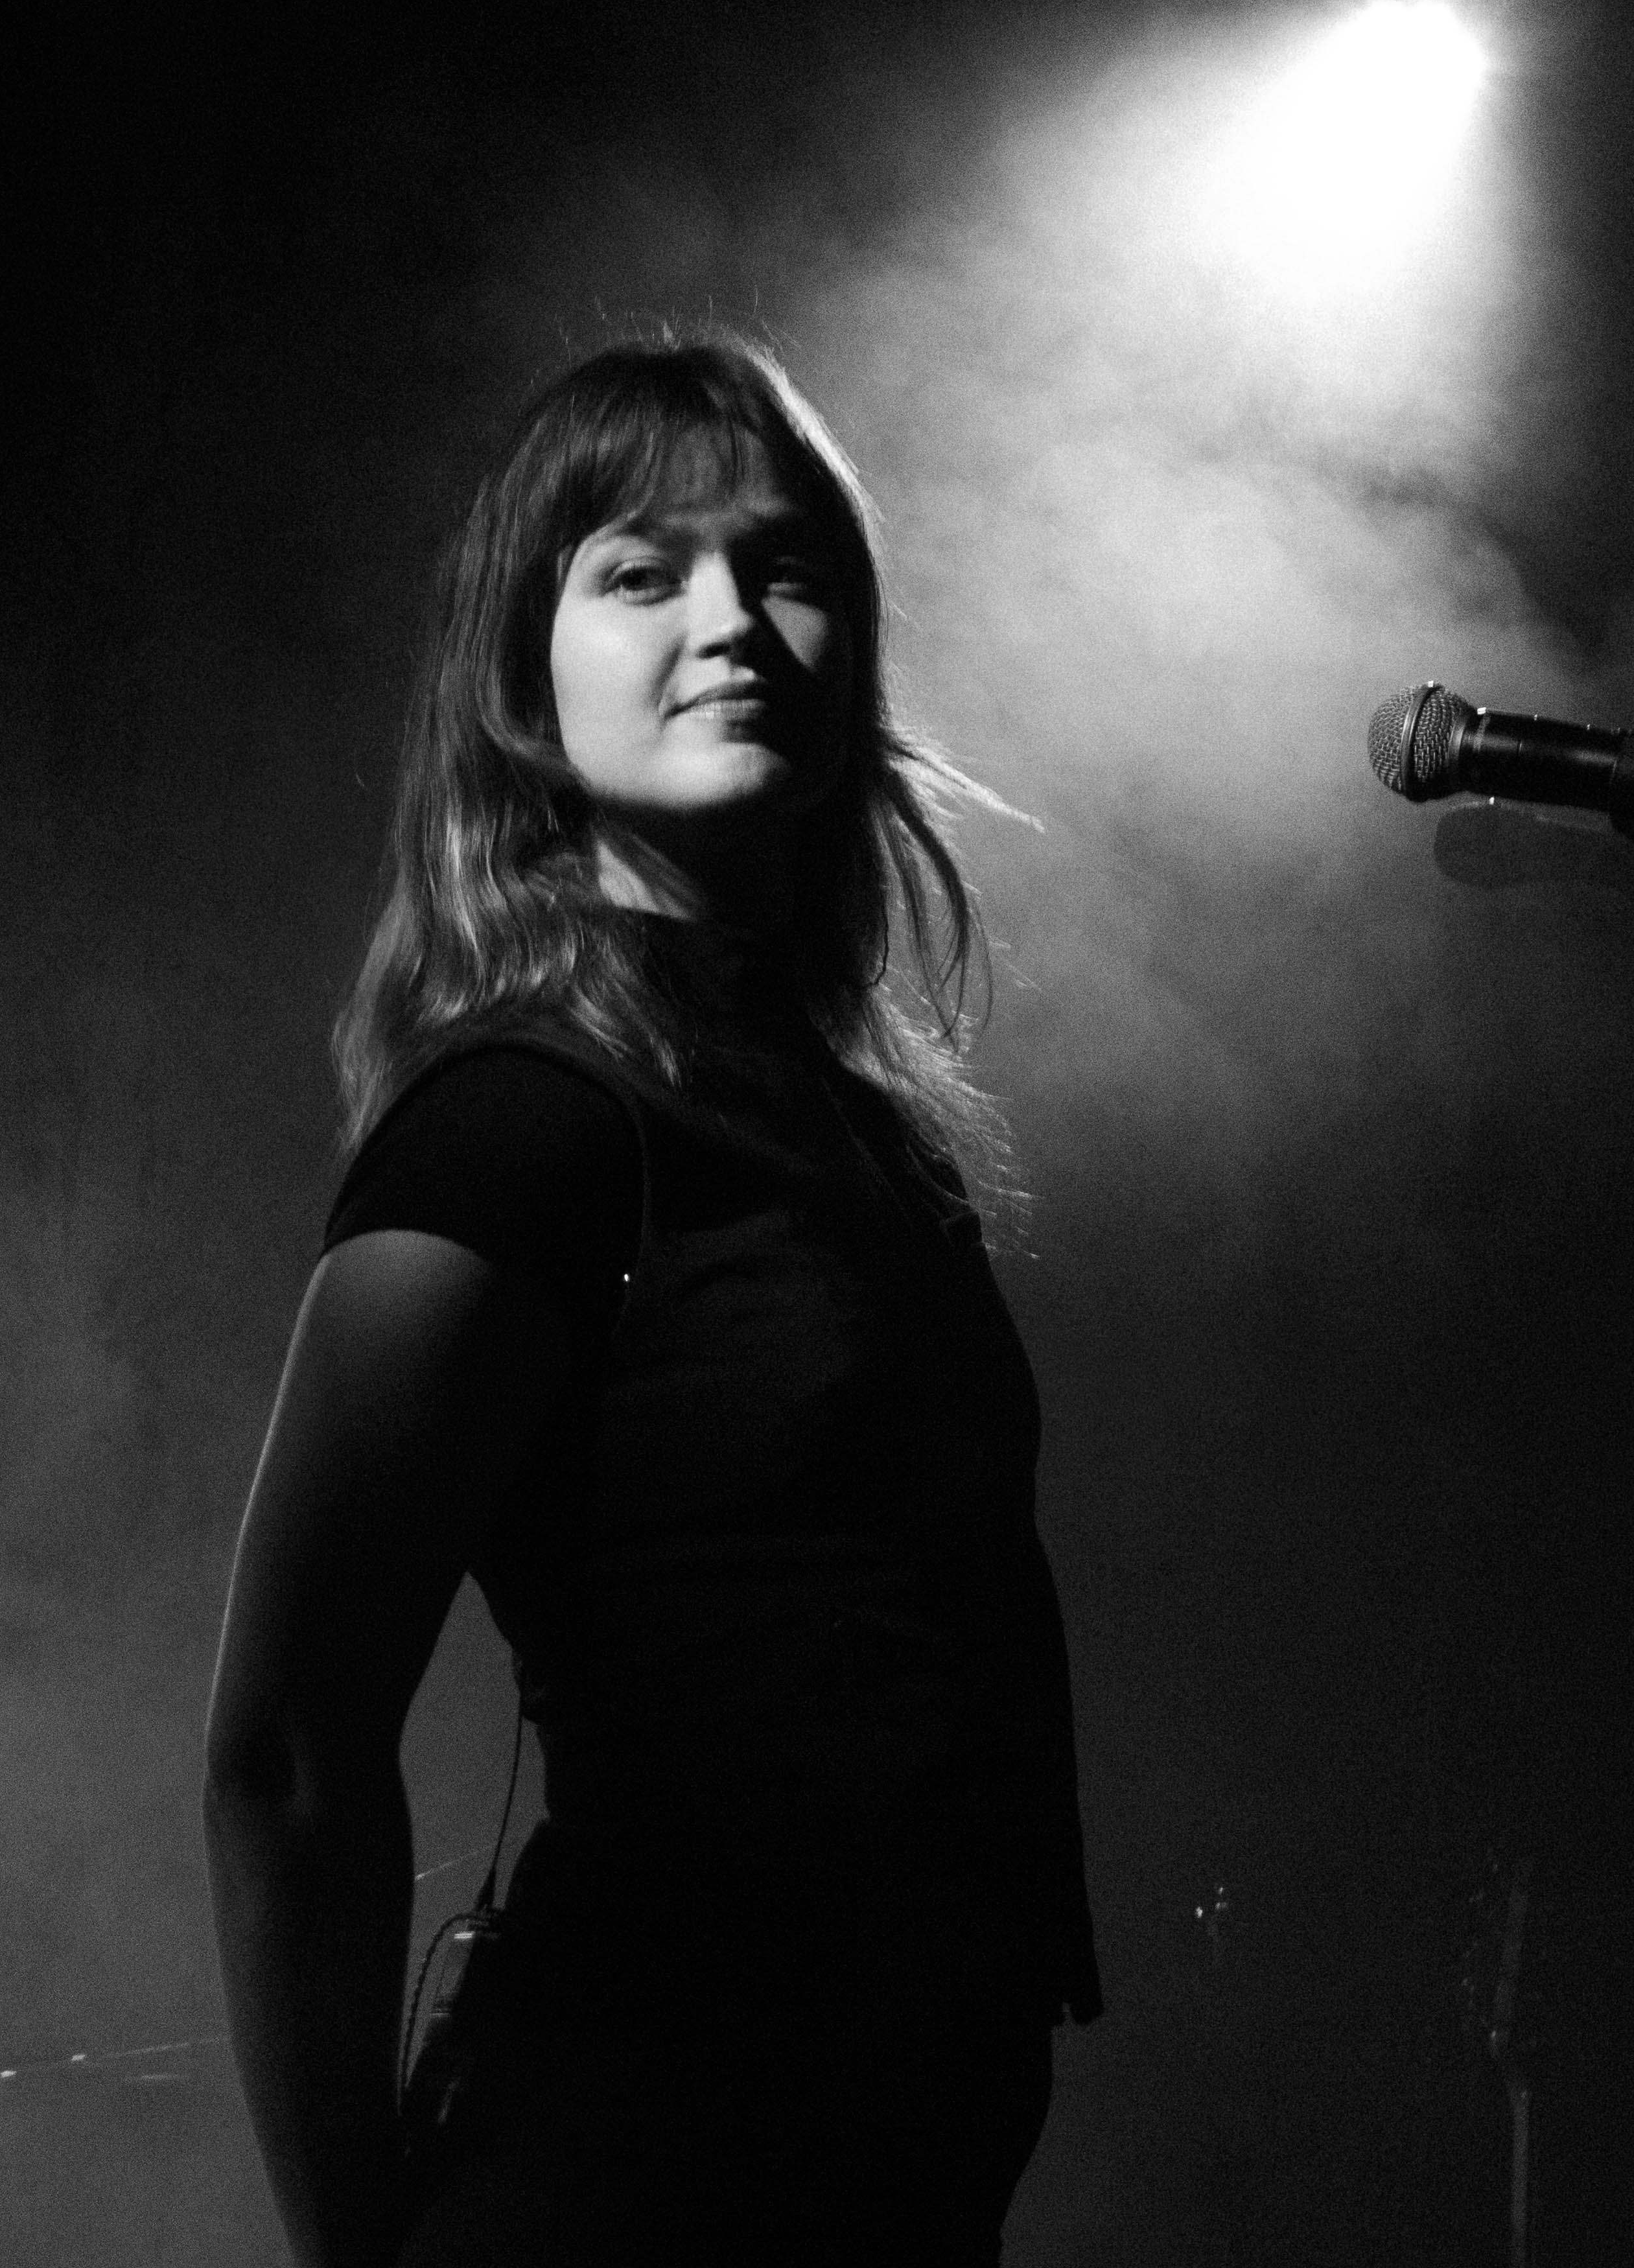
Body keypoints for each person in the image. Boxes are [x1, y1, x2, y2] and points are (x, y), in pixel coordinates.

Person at [204, 336, 1097, 2267]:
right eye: (641, 572)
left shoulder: (859, 1132)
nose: (732, 622)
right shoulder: (522, 1124)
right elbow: (285, 1752)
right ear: (524, 678)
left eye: (786, 569)